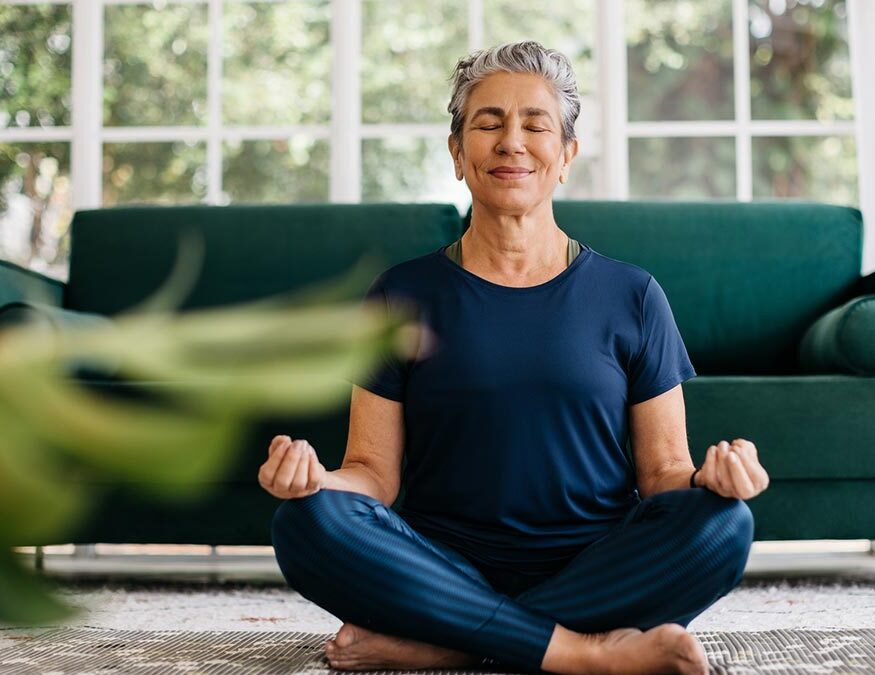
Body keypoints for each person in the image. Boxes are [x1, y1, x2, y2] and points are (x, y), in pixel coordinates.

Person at [261, 41, 770, 675]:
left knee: (723, 525)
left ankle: (452, 642)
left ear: (566, 156)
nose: (512, 143)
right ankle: (579, 651)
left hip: (594, 562)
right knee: (306, 522)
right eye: (488, 123)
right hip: (439, 561)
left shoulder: (632, 294)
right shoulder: (401, 293)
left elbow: (665, 473)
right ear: (457, 153)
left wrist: (714, 480)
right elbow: (371, 473)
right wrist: (318, 483)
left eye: (536, 125)